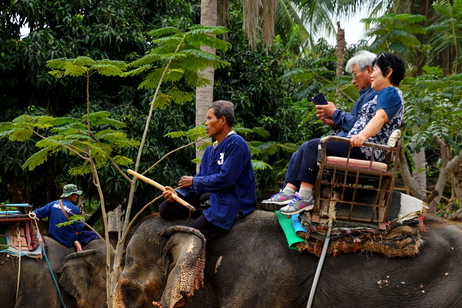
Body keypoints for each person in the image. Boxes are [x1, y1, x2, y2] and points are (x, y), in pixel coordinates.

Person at [261, 50, 377, 211]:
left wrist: (336, 114)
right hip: (353, 142)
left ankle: (304, 196)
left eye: (355, 75)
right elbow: (356, 125)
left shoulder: (377, 94)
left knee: (312, 146)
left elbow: (364, 126)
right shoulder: (365, 96)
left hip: (363, 147)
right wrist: (334, 122)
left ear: (370, 70)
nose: (352, 81)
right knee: (299, 153)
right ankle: (288, 192)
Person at [159, 100, 257, 239]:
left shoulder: (236, 144)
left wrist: (193, 182)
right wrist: (177, 193)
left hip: (229, 202)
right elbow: (201, 178)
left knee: (189, 235)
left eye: (210, 118)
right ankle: (200, 212)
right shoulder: (210, 150)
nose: (206, 123)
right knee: (166, 208)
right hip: (209, 198)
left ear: (222, 120)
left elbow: (226, 179)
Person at [34, 184, 100, 251]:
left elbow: (36, 213)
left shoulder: (53, 204)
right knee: (93, 234)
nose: (77, 197)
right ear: (70, 195)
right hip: (66, 239)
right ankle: (78, 244)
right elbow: (78, 228)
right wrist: (82, 218)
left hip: (52, 235)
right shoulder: (74, 209)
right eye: (75, 195)